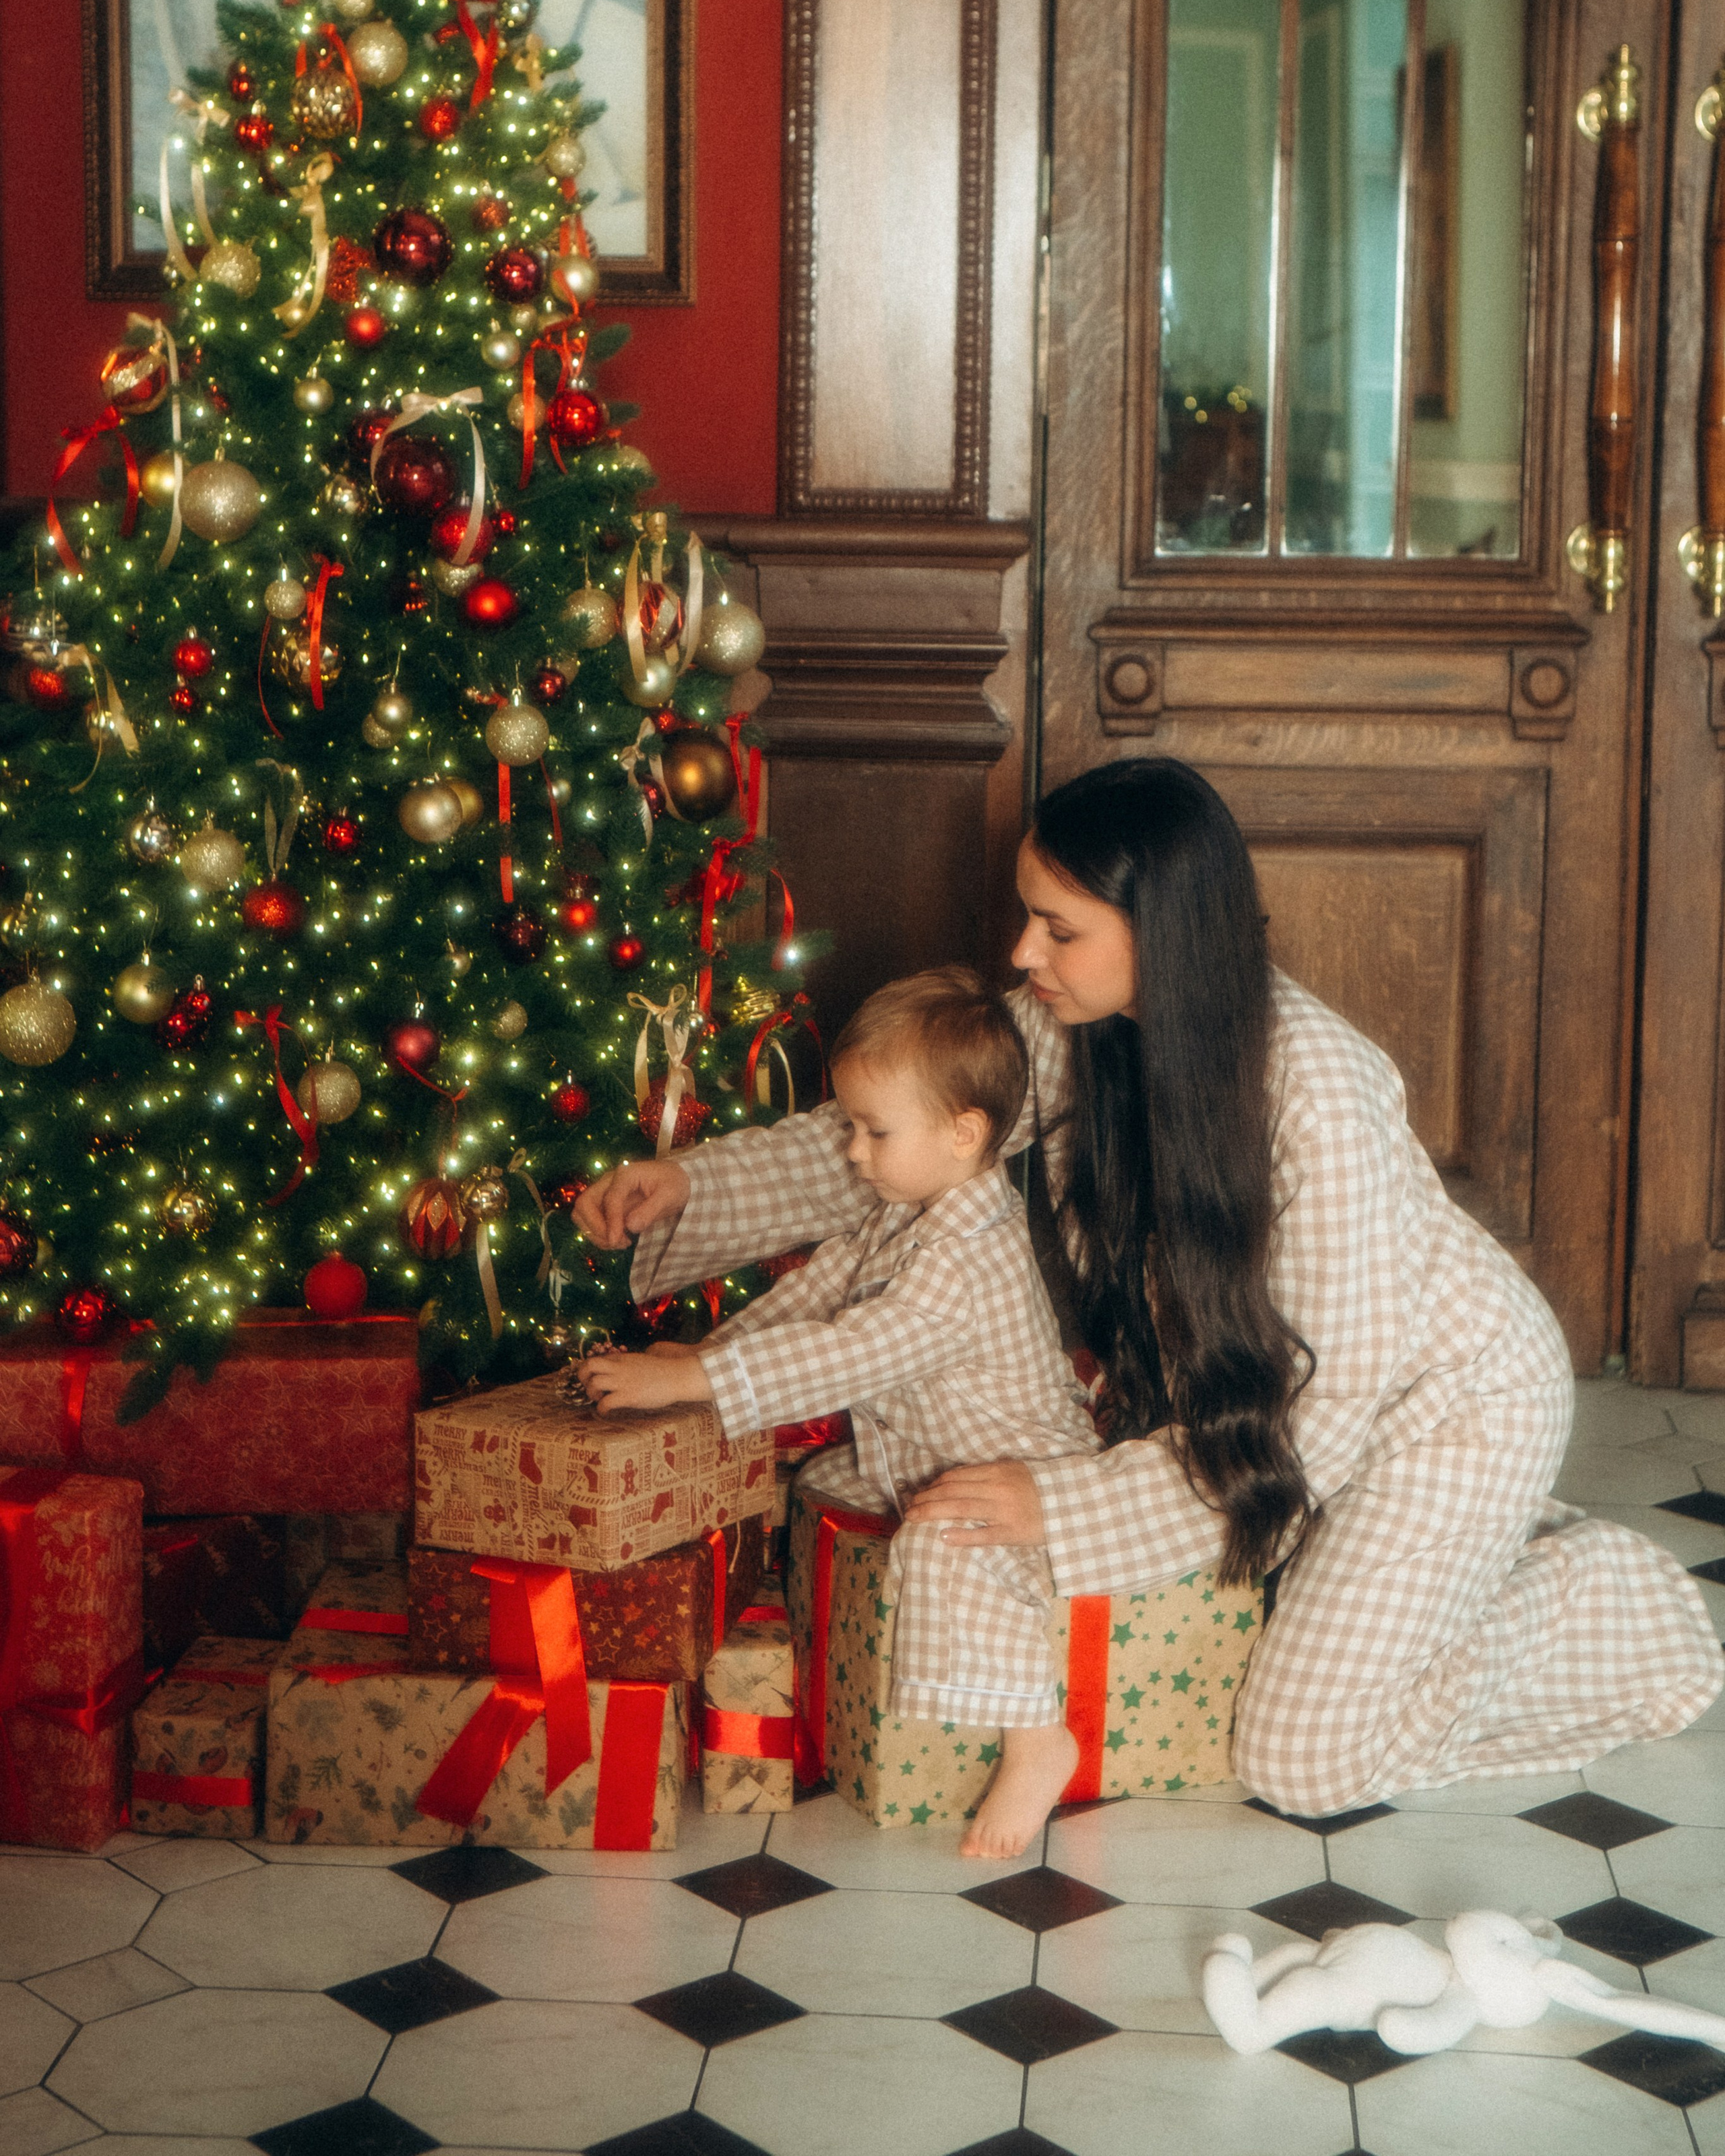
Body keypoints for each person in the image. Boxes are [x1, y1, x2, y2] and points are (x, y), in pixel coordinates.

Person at [578, 758, 1724, 1822]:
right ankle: (1440, 1565)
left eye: (1058, 927)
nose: (1022, 951)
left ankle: (1597, 1598)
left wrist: (1057, 1507)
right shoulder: (1062, 1024)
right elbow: (899, 1140)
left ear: (1160, 931)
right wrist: (686, 1184)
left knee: (1302, 1761)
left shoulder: (1318, 1092)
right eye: (1029, 915)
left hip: (1442, 1413)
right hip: (1269, 1422)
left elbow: (1322, 1416)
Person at [577, 968, 1101, 1858]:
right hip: (937, 1447)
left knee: (949, 1536)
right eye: (852, 1127)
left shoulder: (966, 1257)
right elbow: (819, 1303)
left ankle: (1037, 1738)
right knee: (836, 1480)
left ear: (964, 1132)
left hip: (1029, 1475)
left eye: (873, 1132)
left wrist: (688, 1387)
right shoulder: (910, 1214)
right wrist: (705, 1363)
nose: (853, 1151)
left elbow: (846, 1352)